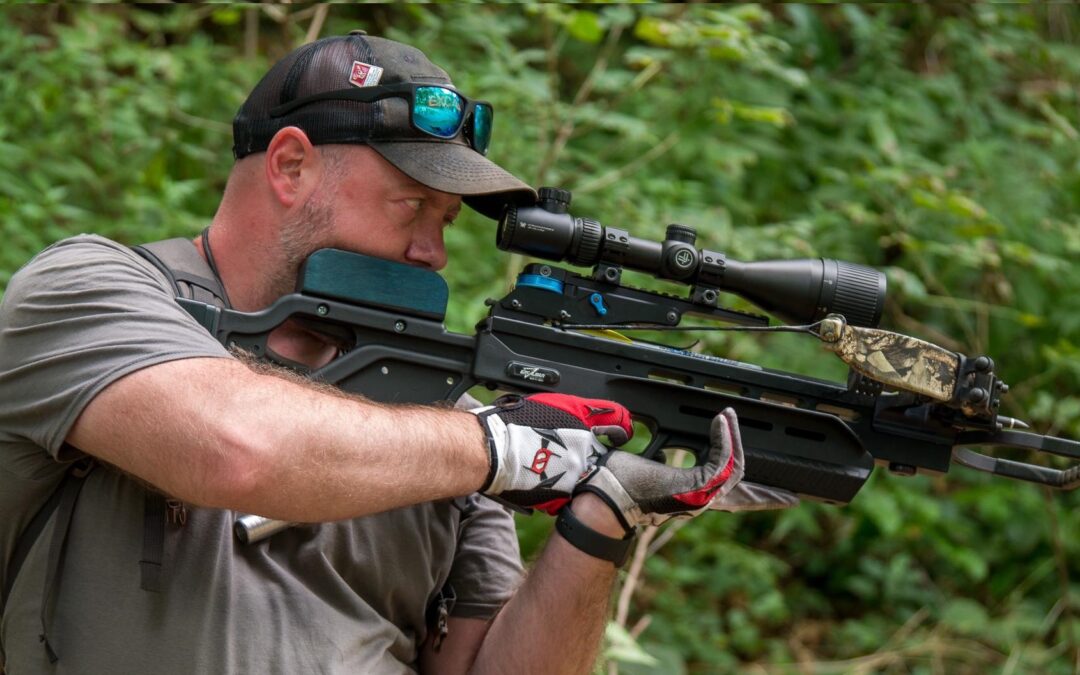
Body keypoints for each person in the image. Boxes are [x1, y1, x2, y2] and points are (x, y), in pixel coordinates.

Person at [0, 32, 795, 674]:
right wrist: (503, 449)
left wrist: (602, 510)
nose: (433, 251)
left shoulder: (444, 412)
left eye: (446, 220)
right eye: (412, 205)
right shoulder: (90, 292)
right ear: (290, 166)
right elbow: (236, 447)